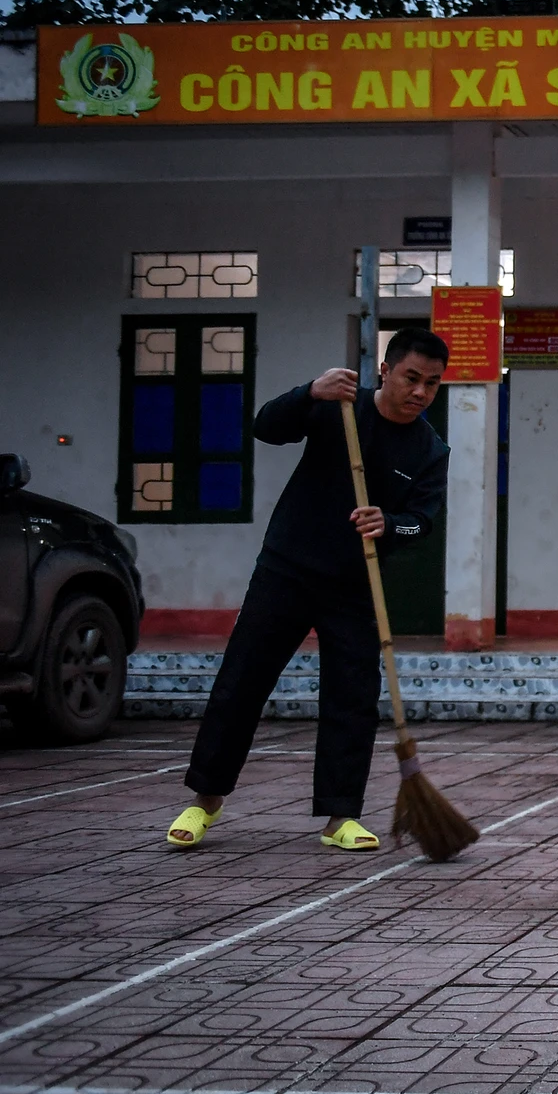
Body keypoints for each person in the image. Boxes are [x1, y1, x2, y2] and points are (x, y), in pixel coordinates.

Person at [165, 328, 451, 852]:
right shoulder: (338, 408)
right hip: (287, 568)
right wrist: (308, 393)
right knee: (241, 682)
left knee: (353, 699)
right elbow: (265, 427)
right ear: (385, 371)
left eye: (432, 384)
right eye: (412, 378)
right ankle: (204, 801)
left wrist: (390, 523)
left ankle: (340, 817)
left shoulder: (430, 448)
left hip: (356, 583)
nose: (420, 392)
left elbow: (422, 522)